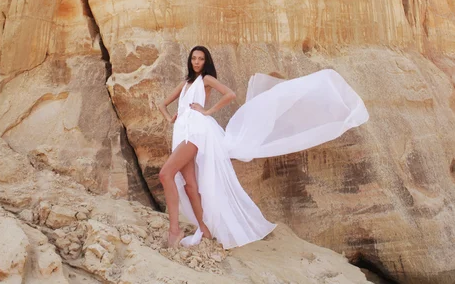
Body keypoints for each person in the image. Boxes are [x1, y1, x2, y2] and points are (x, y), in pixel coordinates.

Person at [158, 45, 369, 249]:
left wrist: (207, 111)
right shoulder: (186, 83)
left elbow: (230, 94)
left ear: (206, 62)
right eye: (194, 58)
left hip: (196, 131)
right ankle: (205, 230)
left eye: (201, 59)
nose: (197, 62)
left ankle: (174, 230)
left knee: (166, 174)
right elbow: (161, 104)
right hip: (181, 130)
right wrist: (170, 118)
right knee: (190, 186)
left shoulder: (206, 79)